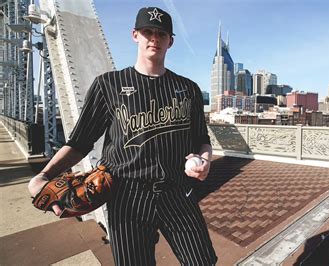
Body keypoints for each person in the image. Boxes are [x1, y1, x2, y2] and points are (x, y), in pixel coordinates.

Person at [28, 6, 217, 265]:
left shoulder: (188, 89)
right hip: (127, 196)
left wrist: (205, 160)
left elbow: (201, 140)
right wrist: (44, 175)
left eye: (161, 33)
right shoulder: (108, 85)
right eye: (147, 31)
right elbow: (80, 142)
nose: (154, 38)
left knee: (203, 261)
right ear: (135, 35)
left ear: (170, 41)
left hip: (178, 192)